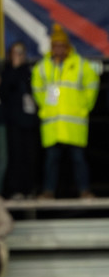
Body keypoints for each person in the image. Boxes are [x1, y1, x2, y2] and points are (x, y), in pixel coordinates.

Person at [31, 23, 99, 200]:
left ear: (68, 46)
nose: (59, 49)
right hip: (53, 123)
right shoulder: (43, 66)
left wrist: (84, 106)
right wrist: (46, 107)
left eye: (62, 45)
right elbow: (37, 88)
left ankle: (84, 191)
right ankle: (48, 192)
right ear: (52, 47)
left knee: (78, 159)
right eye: (56, 45)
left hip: (74, 122)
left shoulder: (80, 64)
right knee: (51, 160)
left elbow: (92, 85)